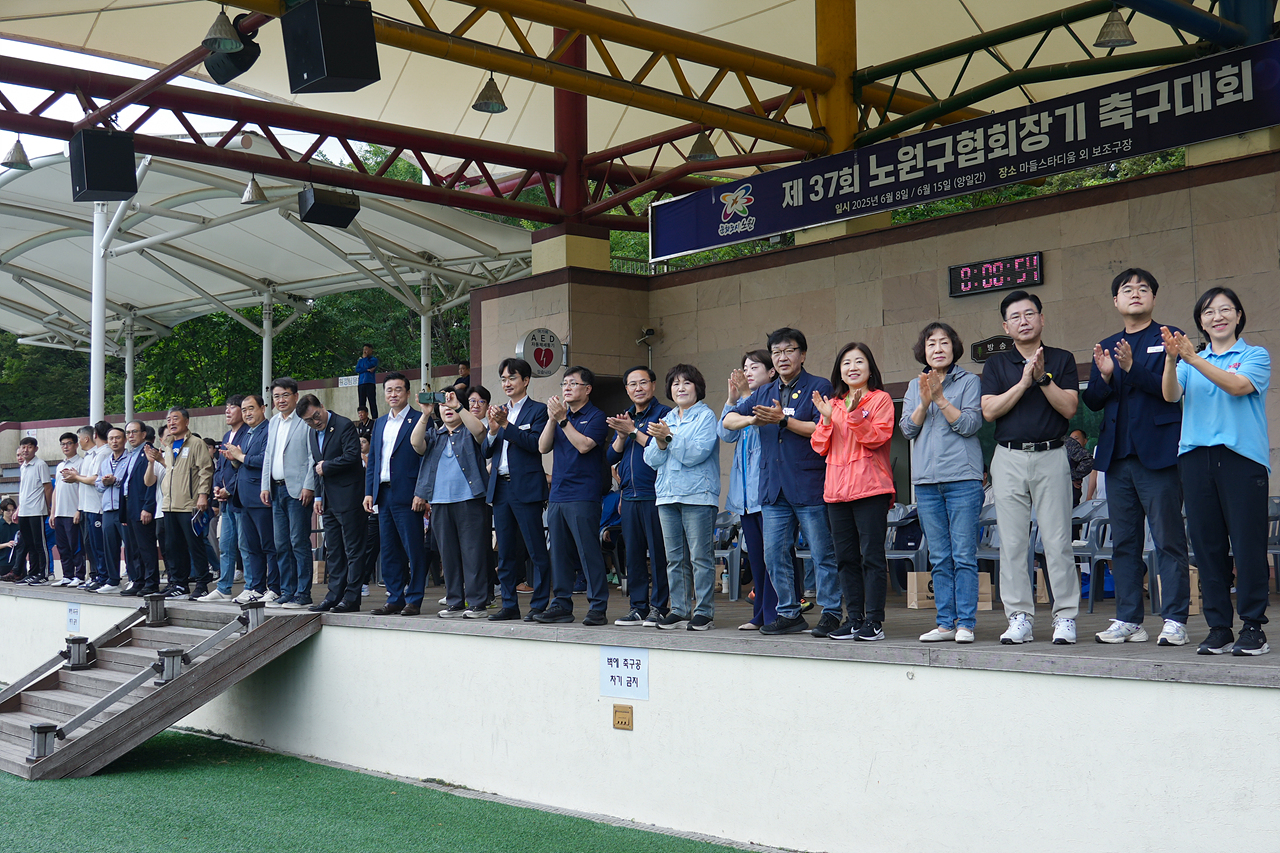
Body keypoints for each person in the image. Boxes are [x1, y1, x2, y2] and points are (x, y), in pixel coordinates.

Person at [1083, 268, 1191, 646]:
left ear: (1153, 298)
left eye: (1143, 289)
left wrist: (1130, 369)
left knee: (1167, 540)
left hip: (1159, 455)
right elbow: (1092, 401)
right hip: (1117, 458)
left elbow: (1170, 392)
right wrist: (1106, 377)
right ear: (1116, 301)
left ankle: (1175, 619)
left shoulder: (1169, 337)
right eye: (1127, 290)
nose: (1135, 294)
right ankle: (1129, 620)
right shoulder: (1107, 344)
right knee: (1124, 543)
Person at [1161, 286, 1271, 656]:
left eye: (1225, 309)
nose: (1217, 316)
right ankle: (1219, 627)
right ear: (1201, 322)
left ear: (1238, 316)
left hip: (1241, 459)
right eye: (1209, 312)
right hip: (1195, 458)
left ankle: (1253, 626)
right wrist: (1171, 360)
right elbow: (1171, 395)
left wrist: (1192, 359)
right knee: (1207, 547)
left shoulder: (1254, 355)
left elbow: (1237, 387)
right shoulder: (1190, 360)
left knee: (1247, 545)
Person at [721, 328, 840, 637]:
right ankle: (788, 613)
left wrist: (783, 420)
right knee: (774, 554)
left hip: (808, 483)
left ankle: (831, 612)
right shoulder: (763, 392)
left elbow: (822, 427)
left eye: (789, 350)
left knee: (821, 553)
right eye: (776, 352)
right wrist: (752, 420)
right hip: (772, 488)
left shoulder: (819, 386)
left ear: (802, 354)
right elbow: (728, 421)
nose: (782, 357)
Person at [981, 290, 1081, 645]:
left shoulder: (1061, 358)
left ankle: (1065, 617)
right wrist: (1023, 382)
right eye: (1015, 317)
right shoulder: (996, 365)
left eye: (1029, 314)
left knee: (1057, 540)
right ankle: (1019, 617)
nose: (1023, 321)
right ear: (1005, 326)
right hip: (1008, 456)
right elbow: (989, 411)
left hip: (1051, 454)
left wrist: (1042, 378)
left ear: (1042, 318)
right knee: (1011, 543)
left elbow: (1069, 408)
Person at [900, 323, 984, 644]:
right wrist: (924, 402)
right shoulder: (914, 385)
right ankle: (945, 623)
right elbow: (907, 429)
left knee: (963, 555)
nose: (938, 348)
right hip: (926, 482)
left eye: (944, 342)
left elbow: (970, 424)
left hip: (962, 478)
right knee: (938, 556)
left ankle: (966, 623)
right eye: (931, 343)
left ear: (954, 347)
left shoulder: (969, 381)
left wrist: (940, 399)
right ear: (923, 351)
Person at [812, 343, 895, 641]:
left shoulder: (881, 399)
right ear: (840, 371)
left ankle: (874, 621)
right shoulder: (833, 404)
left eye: (859, 361)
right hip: (836, 492)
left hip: (871, 489)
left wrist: (856, 414)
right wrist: (825, 419)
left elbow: (877, 438)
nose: (853, 367)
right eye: (846, 363)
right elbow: (819, 446)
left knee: (872, 557)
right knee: (845, 558)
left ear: (870, 368)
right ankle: (854, 618)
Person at [644, 364, 720, 631]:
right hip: (667, 495)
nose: (681, 388)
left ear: (697, 387)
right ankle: (679, 609)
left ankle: (704, 612)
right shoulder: (667, 417)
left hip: (698, 495)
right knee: (674, 558)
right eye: (675, 383)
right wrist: (661, 442)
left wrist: (668, 438)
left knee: (700, 557)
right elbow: (650, 458)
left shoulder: (706, 416)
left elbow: (696, 454)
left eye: (687, 382)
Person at [536, 366, 610, 625]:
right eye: (564, 384)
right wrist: (552, 418)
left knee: (588, 552)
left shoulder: (597, 416)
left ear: (587, 389)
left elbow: (584, 446)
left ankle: (598, 606)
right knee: (559, 553)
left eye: (573, 383)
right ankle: (561, 604)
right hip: (558, 493)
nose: (566, 388)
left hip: (583, 494)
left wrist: (563, 420)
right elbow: (542, 447)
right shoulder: (559, 417)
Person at [483, 358, 551, 621]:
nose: (507, 383)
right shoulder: (499, 411)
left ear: (526, 380)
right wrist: (492, 431)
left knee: (536, 550)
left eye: (512, 378)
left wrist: (505, 426)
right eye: (503, 379)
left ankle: (539, 605)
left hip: (526, 488)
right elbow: (486, 451)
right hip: (500, 488)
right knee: (506, 552)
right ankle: (509, 605)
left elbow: (535, 444)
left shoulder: (538, 410)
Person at [411, 390, 489, 618]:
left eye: (451, 404)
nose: (447, 408)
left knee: (473, 554)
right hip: (440, 502)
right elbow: (415, 444)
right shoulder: (434, 435)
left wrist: (458, 407)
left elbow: (481, 432)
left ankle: (477, 603)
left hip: (470, 500)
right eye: (442, 405)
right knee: (449, 555)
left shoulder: (470, 431)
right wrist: (425, 414)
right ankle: (455, 602)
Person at [607, 365, 671, 627]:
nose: (638, 388)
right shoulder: (626, 416)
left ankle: (659, 607)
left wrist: (634, 431)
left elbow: (664, 447)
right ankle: (637, 607)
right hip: (630, 496)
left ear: (653, 385)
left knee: (658, 554)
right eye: (632, 384)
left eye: (643, 382)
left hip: (656, 494)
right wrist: (622, 434)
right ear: (627, 389)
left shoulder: (664, 414)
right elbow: (611, 456)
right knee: (633, 555)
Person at [719, 350, 779, 631]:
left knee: (773, 558)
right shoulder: (743, 402)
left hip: (767, 494)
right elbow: (725, 433)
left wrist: (744, 396)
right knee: (755, 558)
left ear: (771, 372)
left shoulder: (772, 397)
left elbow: (763, 427)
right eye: (745, 367)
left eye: (755, 367)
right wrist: (732, 400)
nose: (748, 372)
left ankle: (775, 613)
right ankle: (760, 614)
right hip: (745, 497)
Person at [364, 371, 427, 616]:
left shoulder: (420, 419)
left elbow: (425, 460)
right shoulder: (379, 423)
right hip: (383, 494)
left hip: (409, 494)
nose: (393, 394)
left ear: (408, 393)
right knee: (389, 549)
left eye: (398, 389)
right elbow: (373, 460)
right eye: (389, 390)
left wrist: (422, 492)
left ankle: (414, 598)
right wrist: (369, 492)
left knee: (413, 548)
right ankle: (395, 597)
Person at [297, 394, 365, 613]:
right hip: (327, 500)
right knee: (334, 551)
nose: (315, 422)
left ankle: (352, 598)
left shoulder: (343, 425)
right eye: (308, 420)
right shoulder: (312, 432)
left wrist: (327, 466)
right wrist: (318, 496)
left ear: (322, 406)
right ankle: (334, 595)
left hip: (349, 496)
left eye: (316, 416)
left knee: (353, 550)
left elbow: (352, 456)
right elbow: (315, 466)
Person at [261, 378, 318, 609]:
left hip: (298, 491)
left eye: (285, 395)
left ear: (296, 396)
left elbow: (313, 455)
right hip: (276, 489)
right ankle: (287, 591)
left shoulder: (304, 421)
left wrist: (309, 485)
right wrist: (265, 486)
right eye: (276, 396)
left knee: (298, 542)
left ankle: (303, 594)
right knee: (281, 543)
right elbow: (268, 455)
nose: (281, 400)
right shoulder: (273, 422)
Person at [147, 408, 215, 600]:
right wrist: (159, 459)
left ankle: (202, 584)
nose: (171, 422)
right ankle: (179, 584)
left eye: (175, 418)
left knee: (195, 545)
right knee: (172, 546)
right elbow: (172, 470)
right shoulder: (169, 445)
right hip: (169, 505)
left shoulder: (196, 443)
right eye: (169, 419)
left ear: (186, 421)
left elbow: (205, 470)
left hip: (189, 504)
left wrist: (203, 495)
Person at [225, 394, 277, 603]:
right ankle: (256, 587)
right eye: (244, 409)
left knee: (269, 545)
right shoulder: (247, 433)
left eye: (251, 408)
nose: (247, 413)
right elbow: (244, 462)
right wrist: (235, 460)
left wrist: (240, 457)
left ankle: (275, 587)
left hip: (261, 497)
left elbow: (265, 459)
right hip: (244, 497)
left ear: (263, 408)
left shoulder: (269, 430)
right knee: (251, 546)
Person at [200, 396, 248, 602]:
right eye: (226, 408)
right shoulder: (227, 435)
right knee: (226, 545)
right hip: (224, 500)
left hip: (241, 499)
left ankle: (251, 586)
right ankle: (223, 588)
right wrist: (217, 487)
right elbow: (219, 467)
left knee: (245, 545)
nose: (227, 411)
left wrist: (230, 489)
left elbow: (244, 467)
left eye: (232, 407)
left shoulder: (248, 433)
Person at [121, 421, 161, 596]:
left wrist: (148, 507)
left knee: (146, 546)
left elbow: (152, 483)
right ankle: (138, 580)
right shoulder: (131, 454)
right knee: (133, 547)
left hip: (142, 505)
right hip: (129, 505)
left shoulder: (149, 452)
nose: (130, 436)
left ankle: (151, 583)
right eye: (128, 432)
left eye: (134, 432)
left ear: (144, 434)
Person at [90, 426, 128, 593]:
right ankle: (113, 581)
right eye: (111, 438)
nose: (114, 441)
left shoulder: (130, 459)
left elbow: (130, 482)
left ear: (124, 440)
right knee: (110, 546)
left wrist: (115, 481)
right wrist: (104, 482)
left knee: (130, 545)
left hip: (123, 508)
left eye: (118, 438)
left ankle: (134, 578)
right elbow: (98, 484)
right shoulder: (105, 461)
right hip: (107, 509)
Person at [10, 437, 52, 584]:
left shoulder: (40, 464)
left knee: (40, 544)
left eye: (29, 447)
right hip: (24, 511)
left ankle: (44, 574)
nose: (25, 450)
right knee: (29, 544)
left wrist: (47, 506)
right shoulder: (23, 466)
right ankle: (32, 573)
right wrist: (19, 509)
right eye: (23, 447)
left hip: (37, 510)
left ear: (36, 449)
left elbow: (48, 487)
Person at [51, 432, 86, 586]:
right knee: (63, 546)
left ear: (76, 445)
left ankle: (80, 575)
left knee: (76, 545)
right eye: (63, 444)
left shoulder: (81, 463)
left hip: (73, 512)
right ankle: (67, 575)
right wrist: (53, 512)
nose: (66, 446)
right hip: (60, 512)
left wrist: (79, 509)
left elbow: (84, 488)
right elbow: (56, 490)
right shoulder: (60, 466)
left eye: (69, 443)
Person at [1064, 429, 1094, 507]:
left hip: (1071, 497)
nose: (1073, 441)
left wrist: (1072, 476)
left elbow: (1088, 461)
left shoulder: (1067, 443)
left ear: (1085, 441)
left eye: (1076, 438)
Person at [356, 344, 380, 419]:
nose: (364, 351)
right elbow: (357, 369)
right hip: (361, 383)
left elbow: (368, 365)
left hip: (370, 382)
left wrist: (365, 358)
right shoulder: (360, 360)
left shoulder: (374, 360)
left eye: (366, 349)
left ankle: (375, 418)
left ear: (371, 350)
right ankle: (362, 417)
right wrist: (367, 370)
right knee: (361, 402)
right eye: (364, 349)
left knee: (372, 401)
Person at [0, 498, 18, 576]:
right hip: (3, 562)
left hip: (17, 563)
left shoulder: (18, 524)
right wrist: (6, 544)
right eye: (8, 511)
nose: (11, 513)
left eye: (13, 510)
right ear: (2, 511)